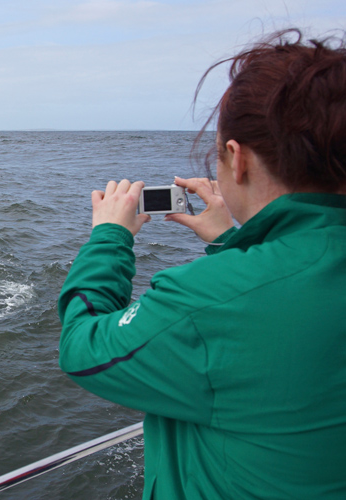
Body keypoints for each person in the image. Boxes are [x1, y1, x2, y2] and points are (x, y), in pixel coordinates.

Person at [58, 29, 346, 499]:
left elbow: (82, 348)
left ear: (237, 160)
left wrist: (109, 237)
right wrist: (230, 243)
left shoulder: (208, 300)